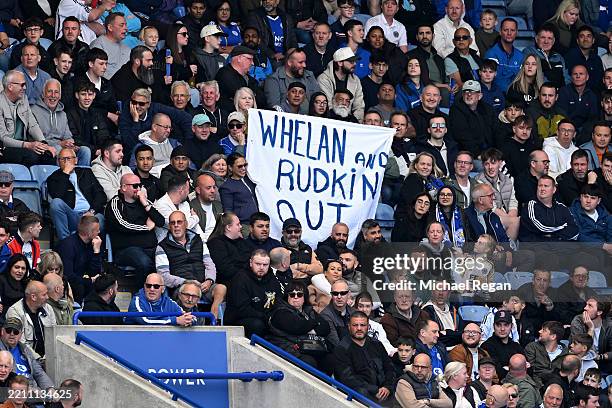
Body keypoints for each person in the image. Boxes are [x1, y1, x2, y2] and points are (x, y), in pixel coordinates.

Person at [155, 211, 225, 317]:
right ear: (169, 226)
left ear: (186, 224)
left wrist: (209, 280)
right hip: (181, 287)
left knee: (221, 288)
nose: (176, 226)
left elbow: (209, 264)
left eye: (179, 222)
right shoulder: (162, 246)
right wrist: (187, 282)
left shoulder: (198, 241)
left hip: (203, 285)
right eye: (173, 223)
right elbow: (163, 276)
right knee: (190, 291)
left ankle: (213, 317)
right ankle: (192, 322)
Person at [105, 173, 165, 285]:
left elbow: (160, 221)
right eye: (135, 186)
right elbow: (123, 225)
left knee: (168, 260)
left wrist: (145, 204)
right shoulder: (115, 203)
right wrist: (146, 228)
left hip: (150, 247)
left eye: (140, 186)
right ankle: (141, 293)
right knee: (145, 263)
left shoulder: (143, 201)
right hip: (126, 250)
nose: (139, 189)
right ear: (124, 187)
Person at [267, 280, 332, 373]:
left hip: (309, 346)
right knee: (309, 362)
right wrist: (314, 324)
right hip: (288, 348)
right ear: (287, 297)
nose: (296, 297)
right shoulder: (280, 312)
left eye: (299, 294)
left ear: (305, 296)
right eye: (292, 295)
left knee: (329, 360)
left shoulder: (309, 311)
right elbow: (297, 327)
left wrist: (309, 328)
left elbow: (326, 328)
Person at [334, 311, 396, 404]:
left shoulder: (377, 344)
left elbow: (389, 367)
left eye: (362, 325)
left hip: (384, 391)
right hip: (360, 394)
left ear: (368, 327)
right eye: (355, 325)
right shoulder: (342, 349)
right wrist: (375, 390)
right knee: (361, 392)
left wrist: (387, 387)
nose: (359, 328)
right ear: (349, 326)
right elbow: (347, 378)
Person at [47, 148, 106, 240]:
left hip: (91, 214)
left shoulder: (86, 173)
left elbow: (100, 195)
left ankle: (91, 248)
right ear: (58, 162)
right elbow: (57, 196)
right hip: (72, 216)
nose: (66, 162)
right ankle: (66, 242)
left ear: (76, 160)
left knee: (100, 220)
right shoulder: (53, 178)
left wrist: (91, 212)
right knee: (55, 203)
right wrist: (65, 174)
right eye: (63, 159)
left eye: (69, 158)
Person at [0, 70, 56, 166]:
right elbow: (3, 138)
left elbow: (32, 124)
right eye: (22, 85)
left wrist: (44, 144)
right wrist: (27, 145)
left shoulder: (23, 99)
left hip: (23, 145)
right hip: (5, 148)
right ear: (10, 86)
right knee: (31, 156)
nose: (25, 88)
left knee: (48, 155)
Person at [31, 79, 91, 166]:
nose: (53, 95)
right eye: (49, 91)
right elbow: (35, 139)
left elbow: (68, 136)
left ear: (60, 96)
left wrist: (70, 144)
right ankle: (63, 177)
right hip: (45, 150)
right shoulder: (33, 111)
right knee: (60, 150)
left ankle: (81, 177)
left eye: (56, 92)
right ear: (43, 94)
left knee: (85, 151)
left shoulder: (63, 114)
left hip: (62, 149)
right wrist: (59, 144)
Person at [225, 249, 283, 337]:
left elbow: (279, 302)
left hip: (266, 318)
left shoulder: (273, 279)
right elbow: (243, 310)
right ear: (251, 263)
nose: (261, 267)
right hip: (239, 321)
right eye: (258, 264)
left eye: (265, 265)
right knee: (257, 325)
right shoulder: (240, 279)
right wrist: (266, 318)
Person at [54, 215, 102, 305]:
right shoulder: (67, 246)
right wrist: (89, 281)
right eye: (97, 230)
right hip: (66, 287)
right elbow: (67, 275)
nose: (99, 232)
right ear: (89, 233)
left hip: (81, 284)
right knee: (80, 287)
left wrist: (96, 251)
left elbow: (94, 272)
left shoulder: (92, 244)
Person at [519, 175, 579, 242]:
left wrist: (553, 236)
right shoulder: (530, 206)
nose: (542, 189)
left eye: (546, 186)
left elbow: (575, 230)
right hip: (533, 247)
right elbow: (542, 227)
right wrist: (563, 227)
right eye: (540, 186)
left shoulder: (562, 207)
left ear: (554, 190)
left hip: (557, 246)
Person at [0, 317, 53, 392]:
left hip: (33, 391)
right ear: (2, 331)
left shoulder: (25, 349)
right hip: (13, 391)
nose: (12, 334)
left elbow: (38, 372)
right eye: (8, 331)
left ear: (21, 334)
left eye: (16, 332)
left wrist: (49, 388)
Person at [6, 280, 55, 358]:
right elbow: (20, 343)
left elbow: (53, 335)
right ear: (33, 297)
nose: (47, 297)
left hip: (48, 357)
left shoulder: (48, 308)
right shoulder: (15, 312)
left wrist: (48, 358)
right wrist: (38, 359)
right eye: (44, 295)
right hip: (25, 358)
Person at [448, 80, 495, 161]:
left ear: (480, 96)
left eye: (473, 92)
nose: (469, 94)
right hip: (468, 155)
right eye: (466, 91)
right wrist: (478, 154)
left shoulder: (487, 109)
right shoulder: (456, 110)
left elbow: (496, 131)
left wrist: (496, 152)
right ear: (462, 94)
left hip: (489, 152)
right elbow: (462, 137)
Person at [126, 272, 194, 326]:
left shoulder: (168, 302)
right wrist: (175, 320)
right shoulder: (137, 301)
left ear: (163, 289)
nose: (151, 289)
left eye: (156, 286)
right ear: (144, 287)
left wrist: (189, 320)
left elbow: (185, 316)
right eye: (148, 286)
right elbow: (146, 320)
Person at [66, 79, 111, 157]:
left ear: (94, 95)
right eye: (83, 94)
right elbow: (74, 138)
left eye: (90, 94)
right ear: (77, 95)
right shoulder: (70, 114)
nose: (87, 98)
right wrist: (94, 150)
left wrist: (102, 149)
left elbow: (104, 135)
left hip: (99, 152)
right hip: (79, 153)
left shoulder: (97, 114)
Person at [317, 47, 365, 121]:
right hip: (329, 121)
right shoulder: (324, 79)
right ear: (340, 63)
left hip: (350, 123)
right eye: (351, 61)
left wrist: (355, 124)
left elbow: (359, 106)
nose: (355, 64)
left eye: (355, 61)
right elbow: (328, 106)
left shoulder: (356, 80)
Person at [129, 113, 181, 178]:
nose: (168, 130)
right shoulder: (141, 146)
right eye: (165, 127)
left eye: (170, 128)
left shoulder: (174, 143)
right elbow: (133, 169)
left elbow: (188, 163)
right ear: (154, 127)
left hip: (178, 179)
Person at [207, 212, 252, 285]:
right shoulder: (216, 244)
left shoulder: (241, 241)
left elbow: (251, 258)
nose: (241, 227)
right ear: (228, 227)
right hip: (231, 282)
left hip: (247, 277)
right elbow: (226, 269)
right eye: (238, 224)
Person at [480, 310, 525, 380]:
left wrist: (507, 368)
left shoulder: (517, 346)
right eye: (498, 325)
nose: (502, 329)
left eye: (506, 325)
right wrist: (516, 369)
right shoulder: (487, 346)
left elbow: (528, 368)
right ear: (493, 326)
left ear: (511, 326)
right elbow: (498, 372)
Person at [570, 184, 612, 256]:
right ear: (580, 197)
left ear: (598, 201)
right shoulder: (571, 213)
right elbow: (577, 235)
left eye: (593, 198)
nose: (588, 201)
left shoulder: (606, 215)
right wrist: (602, 245)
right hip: (581, 251)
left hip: (604, 251)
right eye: (585, 197)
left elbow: (610, 236)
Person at [522, 24, 568, 89]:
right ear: (536, 39)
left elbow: (566, 78)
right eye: (543, 37)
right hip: (539, 93)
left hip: (558, 94)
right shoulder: (529, 52)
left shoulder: (559, 57)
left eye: (549, 38)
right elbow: (532, 76)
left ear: (553, 41)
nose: (546, 41)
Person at [525, 320, 566, 390]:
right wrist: (542, 389)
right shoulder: (532, 348)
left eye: (544, 330)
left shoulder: (565, 354)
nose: (539, 331)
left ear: (553, 336)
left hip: (556, 389)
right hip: (535, 388)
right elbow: (532, 372)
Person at [564, 25, 604, 93]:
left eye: (588, 36)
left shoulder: (597, 59)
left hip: (593, 96)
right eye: (582, 36)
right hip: (574, 94)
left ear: (593, 40)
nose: (585, 39)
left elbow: (600, 82)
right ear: (577, 41)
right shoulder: (570, 56)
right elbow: (567, 80)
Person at [558, 65, 599, 131]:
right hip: (566, 129)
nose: (578, 76)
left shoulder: (592, 95)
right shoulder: (563, 92)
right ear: (571, 77)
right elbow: (561, 115)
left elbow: (592, 119)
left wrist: (581, 132)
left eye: (581, 74)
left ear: (587, 77)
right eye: (575, 74)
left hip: (585, 132)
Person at [90, 13, 130, 80]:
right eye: (121, 25)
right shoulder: (98, 45)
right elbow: (95, 73)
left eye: (126, 25)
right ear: (110, 28)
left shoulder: (127, 48)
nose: (126, 28)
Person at [189, 173, 222, 242]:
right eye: (208, 188)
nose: (213, 191)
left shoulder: (219, 205)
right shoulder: (191, 207)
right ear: (198, 190)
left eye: (214, 187)